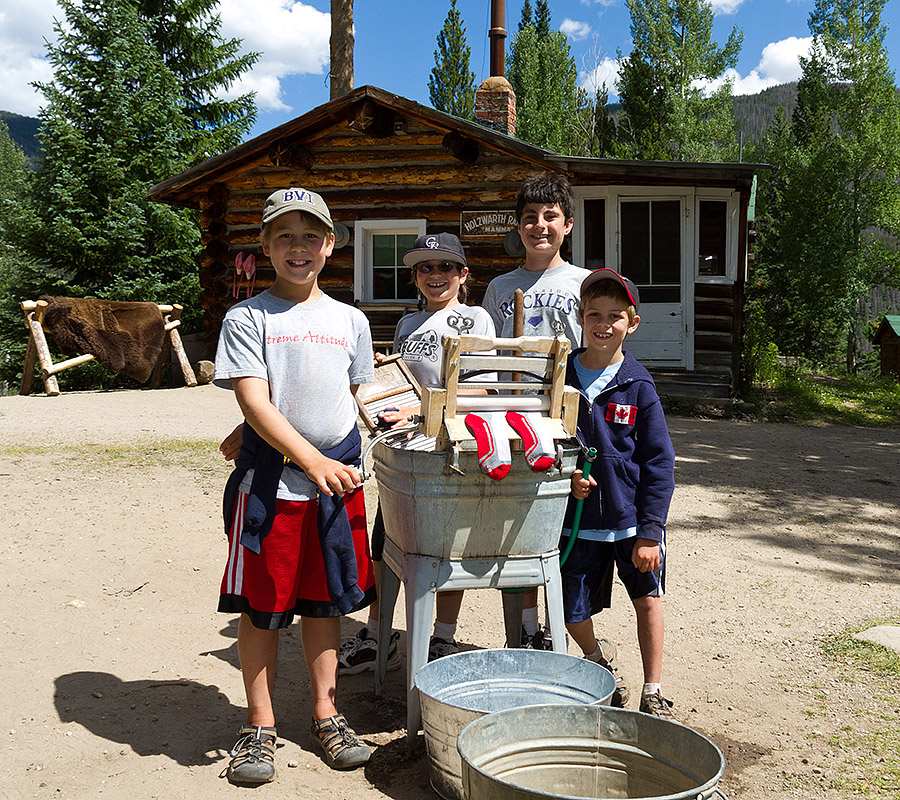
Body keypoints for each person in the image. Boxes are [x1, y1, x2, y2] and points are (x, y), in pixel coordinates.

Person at [213, 187, 377, 784]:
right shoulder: (249, 316)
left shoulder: (351, 320)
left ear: (331, 245)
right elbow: (255, 399)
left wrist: (414, 422)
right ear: (264, 247)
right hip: (274, 487)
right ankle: (259, 726)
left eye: (311, 235)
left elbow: (360, 394)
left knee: (324, 601)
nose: (298, 247)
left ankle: (326, 713)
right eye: (285, 235)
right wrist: (309, 459)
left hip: (339, 482)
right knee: (262, 608)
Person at [339, 232, 497, 668]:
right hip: (402, 448)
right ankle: (379, 633)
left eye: (445, 266)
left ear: (463, 274)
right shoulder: (408, 324)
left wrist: (418, 406)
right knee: (387, 541)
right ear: (414, 277)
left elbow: (482, 387)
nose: (435, 275)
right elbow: (396, 381)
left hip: (449, 447)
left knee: (445, 548)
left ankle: (442, 637)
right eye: (425, 268)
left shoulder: (477, 319)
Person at [481, 172, 607, 655]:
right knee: (520, 526)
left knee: (562, 527)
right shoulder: (499, 287)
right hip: (513, 418)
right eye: (530, 218)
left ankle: (568, 626)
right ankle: (528, 632)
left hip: (567, 417)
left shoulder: (583, 284)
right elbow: (489, 357)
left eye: (550, 217)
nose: (540, 226)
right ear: (517, 225)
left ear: (568, 224)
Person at [560, 268, 677, 719]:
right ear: (580, 316)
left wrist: (651, 531)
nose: (603, 324)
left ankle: (653, 689)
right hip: (578, 522)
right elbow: (541, 441)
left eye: (615, 316)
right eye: (593, 314)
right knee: (571, 610)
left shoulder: (639, 385)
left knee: (648, 599)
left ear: (633, 322)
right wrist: (564, 476)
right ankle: (596, 661)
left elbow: (659, 462)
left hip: (631, 523)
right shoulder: (561, 376)